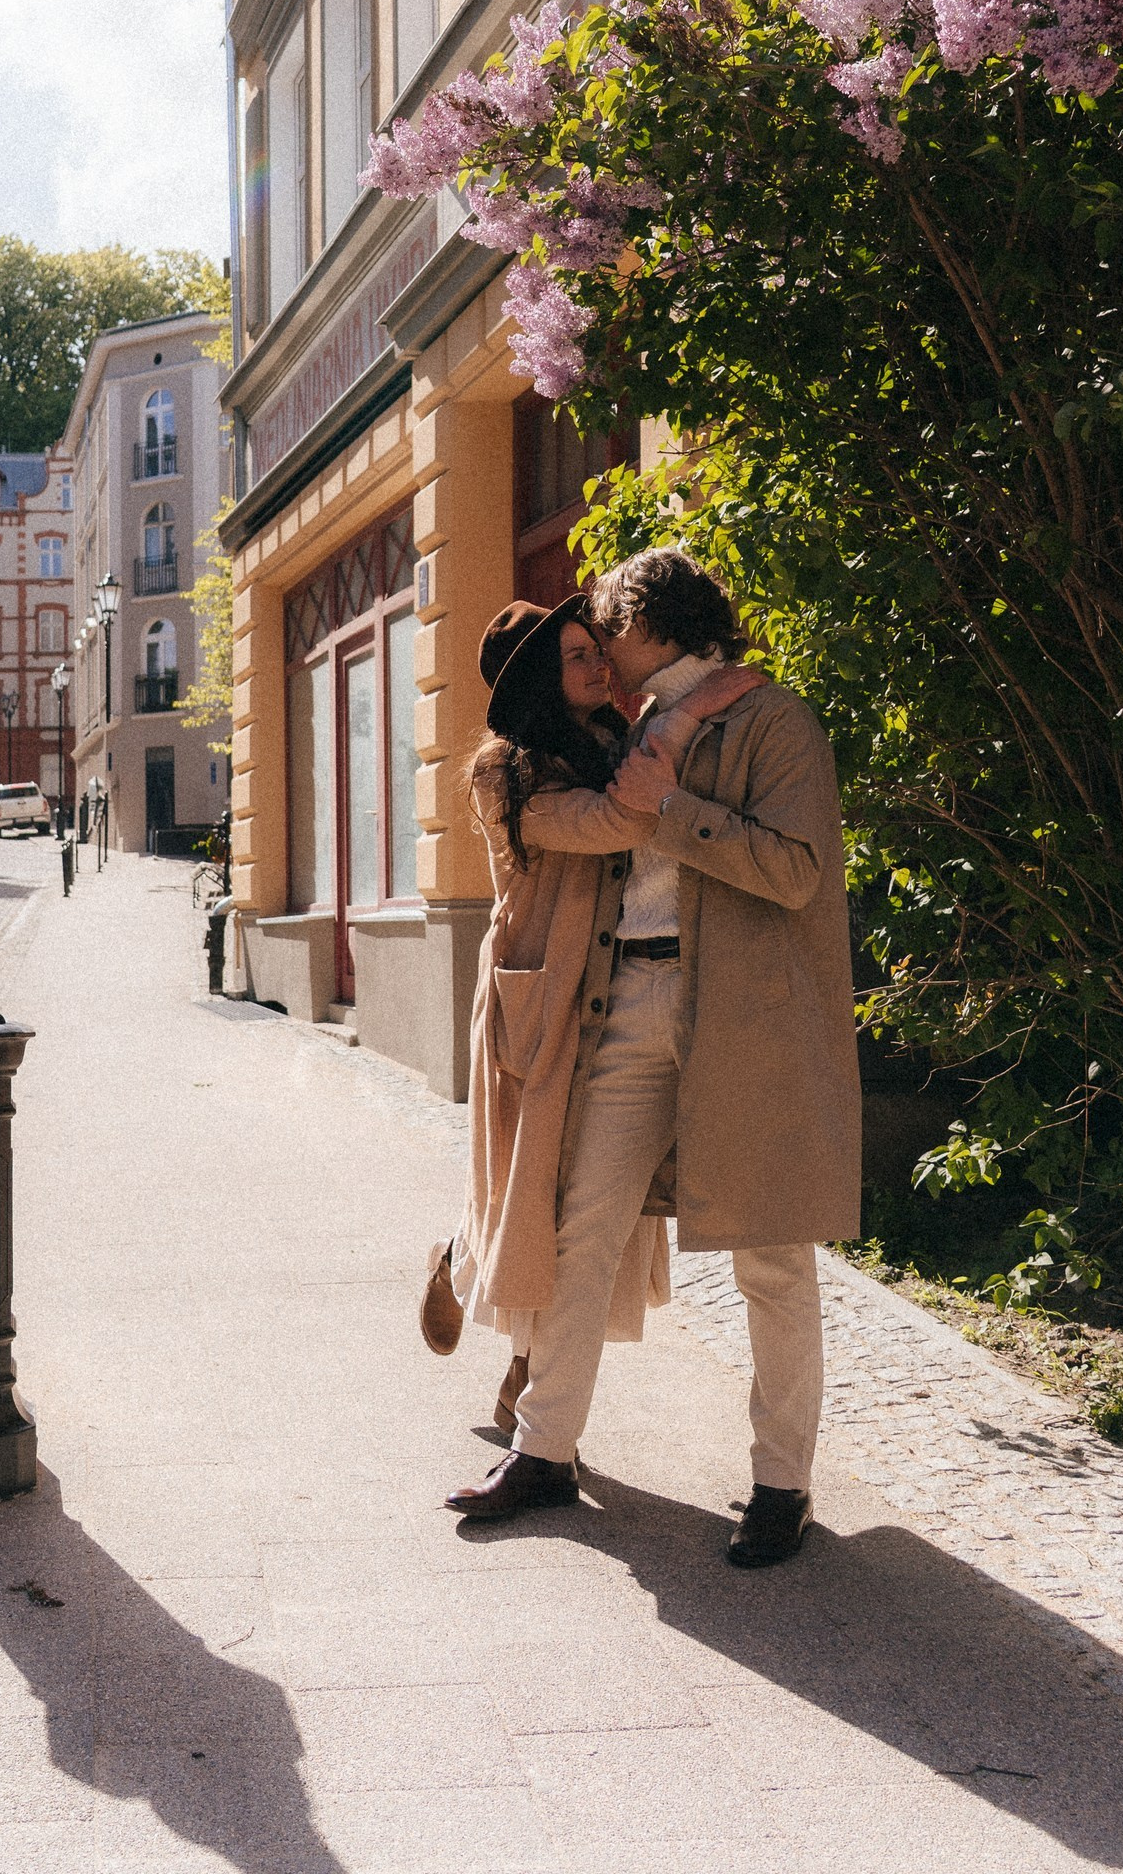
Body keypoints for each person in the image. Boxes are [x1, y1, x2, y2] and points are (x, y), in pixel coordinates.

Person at [447, 549, 860, 1568]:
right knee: (585, 1221)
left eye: (609, 626)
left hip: (744, 1011)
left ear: (653, 622)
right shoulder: (624, 727)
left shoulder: (774, 721)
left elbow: (798, 871)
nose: (598, 644)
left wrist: (672, 807)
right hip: (627, 1000)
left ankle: (781, 1483)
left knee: (771, 1253)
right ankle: (544, 1448)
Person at [421, 594, 758, 1430]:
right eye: (575, 656)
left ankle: (471, 1270)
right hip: (540, 1004)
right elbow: (616, 821)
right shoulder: (505, 774)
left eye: (593, 650)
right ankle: (516, 1362)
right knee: (540, 1187)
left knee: (577, 1197)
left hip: (607, 996)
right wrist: (698, 707)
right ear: (540, 677)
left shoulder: (616, 737)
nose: (596, 664)